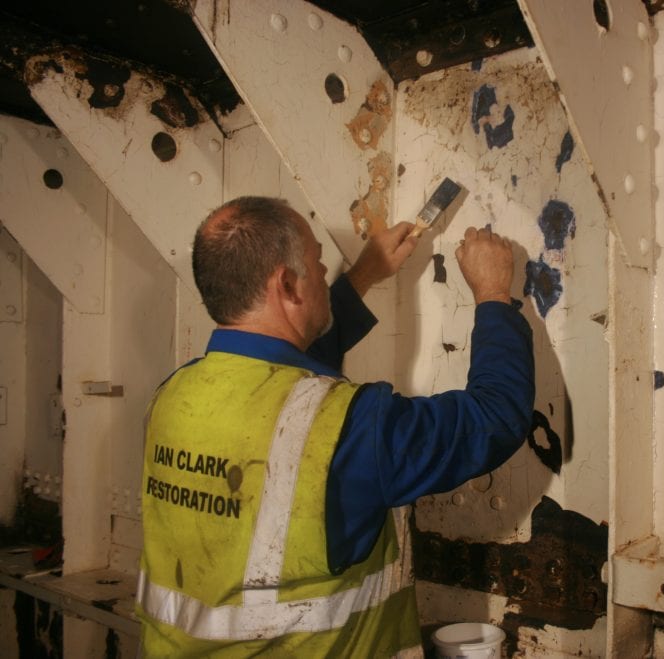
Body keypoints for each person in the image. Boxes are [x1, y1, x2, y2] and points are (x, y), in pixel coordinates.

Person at [136, 196, 534, 657]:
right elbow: (495, 417)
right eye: (319, 265)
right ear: (286, 283)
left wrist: (364, 275)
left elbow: (284, 387)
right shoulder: (347, 429)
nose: (326, 274)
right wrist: (492, 295)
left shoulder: (172, 395)